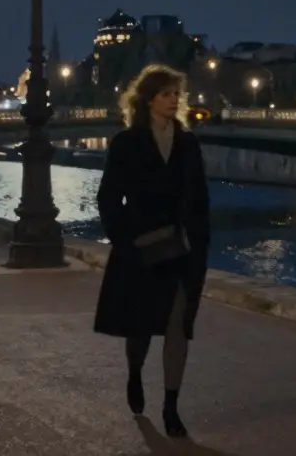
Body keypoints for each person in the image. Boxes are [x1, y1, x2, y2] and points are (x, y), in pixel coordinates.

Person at [94, 64, 211, 439]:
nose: (174, 100)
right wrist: (124, 241)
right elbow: (109, 198)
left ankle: (171, 406)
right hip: (141, 249)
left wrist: (201, 242)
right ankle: (134, 375)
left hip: (181, 249)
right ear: (148, 100)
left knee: (178, 325)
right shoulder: (127, 143)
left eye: (177, 94)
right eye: (166, 94)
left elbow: (200, 200)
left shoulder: (189, 143)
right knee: (141, 327)